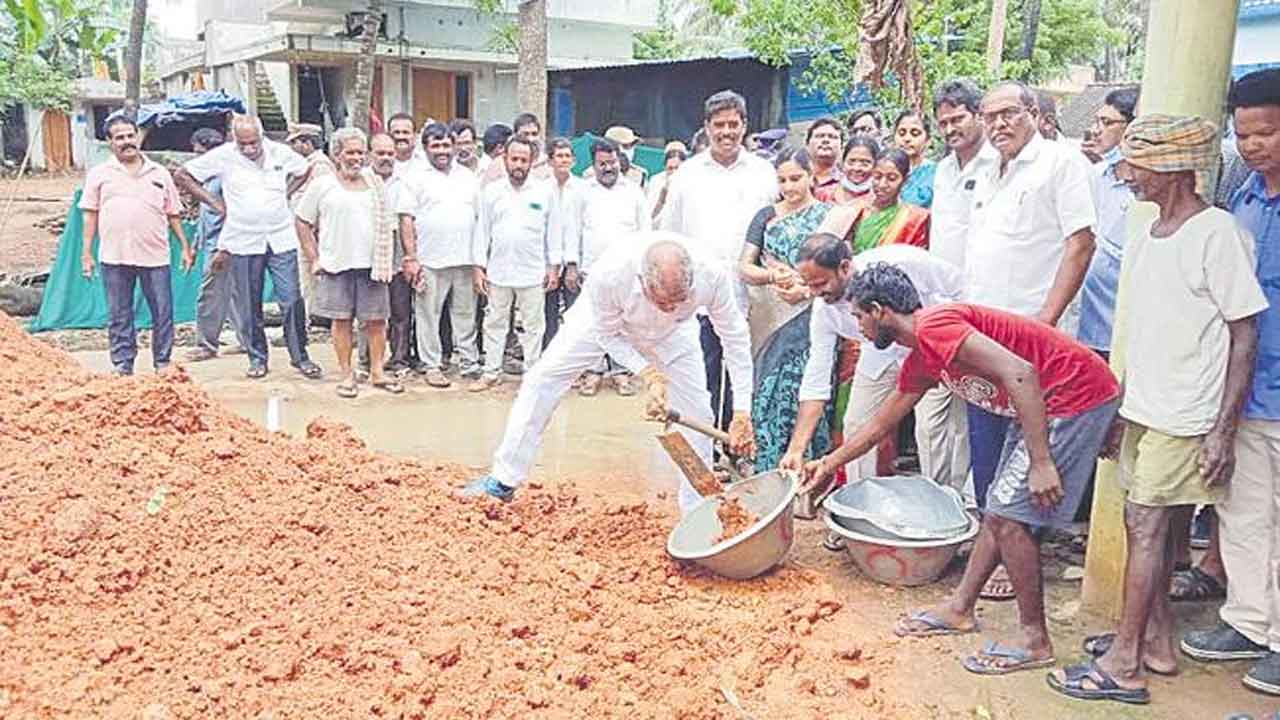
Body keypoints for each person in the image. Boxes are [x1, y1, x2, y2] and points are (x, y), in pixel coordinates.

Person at [1047, 115, 1267, 705]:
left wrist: (1221, 429)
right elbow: (1139, 326)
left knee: (1149, 527)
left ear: (1173, 167)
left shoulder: (1216, 233)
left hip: (1186, 412)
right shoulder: (1148, 230)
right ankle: (1154, 642)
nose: (1127, 176)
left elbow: (1244, 334)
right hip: (1146, 403)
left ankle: (1124, 665)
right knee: (1144, 525)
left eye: (1136, 165)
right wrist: (1118, 405)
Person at [819, 266, 1118, 677]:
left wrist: (1042, 461)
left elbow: (1021, 372)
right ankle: (960, 608)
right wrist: (826, 466)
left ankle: (1034, 641)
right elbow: (878, 425)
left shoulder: (935, 327)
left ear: (879, 310)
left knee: (1009, 520)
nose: (859, 327)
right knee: (998, 510)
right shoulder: (923, 354)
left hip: (1072, 395)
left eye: (859, 317)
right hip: (1039, 405)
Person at [460, 234, 756, 512]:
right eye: (662, 301)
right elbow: (607, 335)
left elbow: (734, 336)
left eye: (679, 301)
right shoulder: (610, 275)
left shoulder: (712, 276)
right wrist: (648, 373)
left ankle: (697, 508)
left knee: (699, 413)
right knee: (542, 380)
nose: (669, 307)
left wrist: (742, 410)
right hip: (604, 324)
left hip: (675, 335)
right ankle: (504, 480)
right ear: (642, 281)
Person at [964, 81, 1097, 600]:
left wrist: (1045, 322)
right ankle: (991, 542)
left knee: (1027, 449)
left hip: (1030, 339)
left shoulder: (1060, 163)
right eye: (990, 115)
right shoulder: (985, 171)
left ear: (1035, 114)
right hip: (981, 336)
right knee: (986, 443)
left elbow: (1081, 243)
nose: (999, 123)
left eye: (1009, 113)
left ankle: (1017, 552)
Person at [1180, 67, 1280, 698]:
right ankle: (1250, 620)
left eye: (1266, 132)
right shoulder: (1243, 197)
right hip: (1246, 389)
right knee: (1243, 513)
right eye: (1243, 134)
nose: (1253, 145)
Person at [780, 237, 966, 497]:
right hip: (879, 354)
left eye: (821, 283)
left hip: (933, 346)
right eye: (808, 286)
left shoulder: (903, 261)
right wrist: (796, 449)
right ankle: (860, 505)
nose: (815, 293)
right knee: (856, 424)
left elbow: (961, 288)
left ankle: (944, 507)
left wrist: (953, 340)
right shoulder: (824, 309)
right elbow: (816, 377)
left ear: (845, 267)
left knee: (931, 428)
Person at [659, 89, 778, 430]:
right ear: (707, 128)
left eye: (733, 124)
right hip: (700, 296)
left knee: (746, 371)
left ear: (744, 126)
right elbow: (671, 235)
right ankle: (707, 446)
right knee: (703, 372)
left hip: (753, 293)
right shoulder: (687, 175)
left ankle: (739, 441)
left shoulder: (763, 173)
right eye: (719, 125)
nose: (727, 132)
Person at [175, 114, 322, 380]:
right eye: (243, 144)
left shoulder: (280, 153)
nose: (249, 149)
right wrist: (215, 203)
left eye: (254, 143)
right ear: (234, 140)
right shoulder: (223, 156)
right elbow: (183, 175)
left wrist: (286, 193)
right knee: (248, 303)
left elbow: (304, 170)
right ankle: (257, 358)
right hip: (242, 239)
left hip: (280, 237)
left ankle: (300, 356)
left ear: (262, 137)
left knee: (290, 299)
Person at [737, 147, 832, 469]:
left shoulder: (829, 215)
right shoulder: (766, 215)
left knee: (808, 391)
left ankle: (807, 477)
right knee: (768, 394)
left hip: (815, 316)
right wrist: (773, 275)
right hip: (771, 318)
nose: (789, 187)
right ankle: (768, 471)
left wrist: (806, 289)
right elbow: (744, 267)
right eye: (782, 180)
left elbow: (839, 269)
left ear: (811, 177)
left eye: (796, 178)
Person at [294, 127, 405, 399]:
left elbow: (391, 224)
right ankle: (346, 374)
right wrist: (314, 258)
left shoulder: (375, 184)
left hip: (372, 264)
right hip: (336, 265)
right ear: (337, 155)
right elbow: (302, 221)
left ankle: (377, 372)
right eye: (350, 152)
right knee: (341, 321)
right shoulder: (323, 185)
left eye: (360, 152)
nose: (356, 158)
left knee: (377, 321)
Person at [79, 115, 194, 376]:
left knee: (162, 312)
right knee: (119, 314)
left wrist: (185, 248)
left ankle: (162, 363)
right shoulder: (99, 174)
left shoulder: (159, 173)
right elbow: (90, 214)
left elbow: (173, 213)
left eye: (130, 135)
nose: (126, 142)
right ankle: (123, 363)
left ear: (137, 137)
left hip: (155, 255)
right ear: (109, 142)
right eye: (119, 137)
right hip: (114, 255)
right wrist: (86, 253)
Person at [394, 122, 482, 389]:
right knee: (428, 316)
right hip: (430, 261)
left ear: (454, 147)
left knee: (466, 314)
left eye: (446, 145)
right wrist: (411, 258)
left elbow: (480, 218)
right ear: (426, 148)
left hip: (465, 259)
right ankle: (432, 365)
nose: (442, 151)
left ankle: (469, 362)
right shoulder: (415, 178)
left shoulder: (468, 177)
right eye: (436, 146)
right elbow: (406, 219)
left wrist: (480, 260)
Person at [470, 136, 561, 391]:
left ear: (532, 162)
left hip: (532, 272)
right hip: (498, 271)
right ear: (505, 160)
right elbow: (482, 231)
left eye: (524, 160)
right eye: (514, 159)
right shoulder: (491, 191)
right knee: (495, 323)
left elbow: (553, 232)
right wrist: (479, 267)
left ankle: (532, 374)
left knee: (533, 326)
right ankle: (491, 372)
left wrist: (553, 266)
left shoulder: (544, 192)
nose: (518, 164)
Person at [567, 138, 649, 396]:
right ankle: (593, 372)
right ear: (594, 164)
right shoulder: (583, 191)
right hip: (591, 271)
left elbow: (644, 232)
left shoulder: (633, 191)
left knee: (623, 324)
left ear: (620, 161)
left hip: (626, 272)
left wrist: (643, 269)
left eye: (612, 162)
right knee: (593, 323)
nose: (608, 168)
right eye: (602, 164)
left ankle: (621, 372)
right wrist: (572, 265)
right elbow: (573, 229)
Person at [1076, 87, 1139, 358]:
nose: (1097, 130)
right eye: (1097, 121)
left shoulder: (1144, 191)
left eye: (1108, 122)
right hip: (1082, 325)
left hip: (1121, 329)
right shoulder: (1094, 175)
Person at [185, 127, 244, 362]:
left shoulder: (224, 179)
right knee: (232, 294)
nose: (197, 158)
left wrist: (224, 247)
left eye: (200, 153)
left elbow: (232, 214)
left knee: (210, 294)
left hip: (224, 245)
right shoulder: (207, 179)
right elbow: (205, 217)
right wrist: (195, 245)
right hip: (212, 243)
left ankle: (207, 345)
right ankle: (244, 339)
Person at [931, 78, 998, 270]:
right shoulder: (943, 169)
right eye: (943, 123)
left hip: (984, 282)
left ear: (979, 116)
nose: (950, 129)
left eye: (958, 119)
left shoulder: (999, 164)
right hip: (944, 284)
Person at [283, 122, 334, 352]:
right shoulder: (306, 165)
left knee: (309, 278)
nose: (293, 147)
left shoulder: (320, 166)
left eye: (295, 142)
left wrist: (313, 236)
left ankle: (314, 321)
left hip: (311, 233)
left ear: (306, 143)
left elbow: (321, 205)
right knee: (306, 279)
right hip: (303, 230)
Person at [541, 137, 581, 349]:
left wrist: (573, 264)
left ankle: (573, 360)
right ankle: (548, 357)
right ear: (550, 161)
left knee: (574, 315)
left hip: (573, 261)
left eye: (567, 156)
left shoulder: (582, 189)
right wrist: (550, 266)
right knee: (548, 314)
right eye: (559, 156)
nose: (564, 160)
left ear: (573, 160)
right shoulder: (541, 189)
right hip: (547, 262)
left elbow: (580, 229)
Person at [849, 149, 930, 252]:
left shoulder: (915, 219)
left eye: (891, 178)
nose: (882, 184)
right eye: (877, 177)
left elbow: (915, 259)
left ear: (905, 180)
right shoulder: (855, 210)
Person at [893, 111, 936, 208]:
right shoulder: (884, 171)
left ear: (928, 140)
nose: (907, 139)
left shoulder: (936, 173)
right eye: (902, 133)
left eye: (915, 133)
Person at [830, 136, 879, 208]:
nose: (856, 168)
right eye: (851, 162)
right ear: (843, 163)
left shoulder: (882, 198)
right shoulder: (828, 194)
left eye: (865, 164)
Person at [646, 141, 688, 224]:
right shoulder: (656, 181)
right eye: (670, 168)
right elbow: (649, 216)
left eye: (677, 168)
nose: (674, 172)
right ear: (665, 166)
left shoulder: (691, 182)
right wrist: (662, 199)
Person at [807, 117, 844, 202]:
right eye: (819, 136)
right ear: (807, 144)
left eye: (832, 137)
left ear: (841, 147)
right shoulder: (795, 178)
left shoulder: (847, 182)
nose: (825, 140)